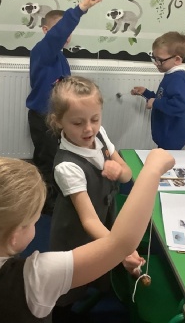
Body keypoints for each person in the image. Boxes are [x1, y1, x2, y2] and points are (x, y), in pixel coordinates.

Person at [0, 152, 175, 323]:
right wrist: (152, 170)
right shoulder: (36, 277)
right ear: (14, 237)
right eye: (34, 221)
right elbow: (120, 243)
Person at [46, 76, 146, 318]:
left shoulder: (99, 135)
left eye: (95, 119)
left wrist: (119, 171)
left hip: (104, 217)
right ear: (59, 121)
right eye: (78, 122)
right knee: (71, 284)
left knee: (100, 267)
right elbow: (88, 220)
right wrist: (120, 249)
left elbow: (128, 175)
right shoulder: (67, 166)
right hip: (76, 233)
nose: (89, 129)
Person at [26, 0, 103, 214]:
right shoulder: (43, 51)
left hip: (56, 116)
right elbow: (56, 36)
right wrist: (81, 9)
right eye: (60, 30)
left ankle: (54, 196)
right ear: (46, 31)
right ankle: (46, 204)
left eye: (68, 31)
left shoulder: (60, 57)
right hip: (43, 116)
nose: (65, 35)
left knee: (55, 156)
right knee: (47, 159)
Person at [131, 31, 185, 150]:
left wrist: (155, 102)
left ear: (177, 60)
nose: (156, 63)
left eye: (160, 60)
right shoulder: (171, 75)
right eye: (155, 58)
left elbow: (181, 105)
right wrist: (146, 93)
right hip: (165, 136)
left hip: (172, 138)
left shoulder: (178, 78)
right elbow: (163, 98)